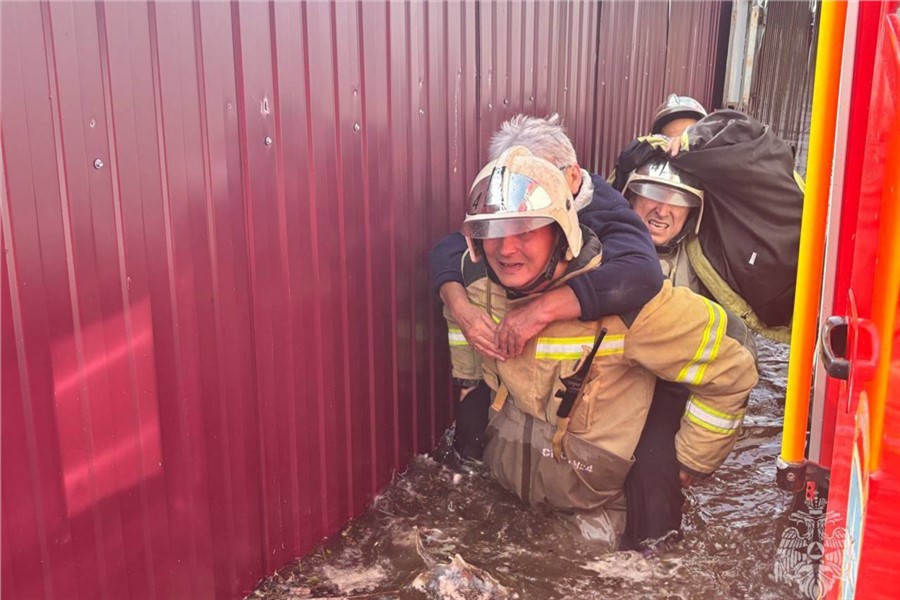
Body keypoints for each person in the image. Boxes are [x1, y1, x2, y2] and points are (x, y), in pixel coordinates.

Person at [452, 146, 758, 547]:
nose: (506, 249)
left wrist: (690, 461)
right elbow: (456, 308)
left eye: (525, 230)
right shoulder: (479, 282)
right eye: (493, 232)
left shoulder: (632, 308)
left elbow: (732, 364)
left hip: (597, 519)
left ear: (561, 231)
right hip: (511, 493)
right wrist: (468, 381)